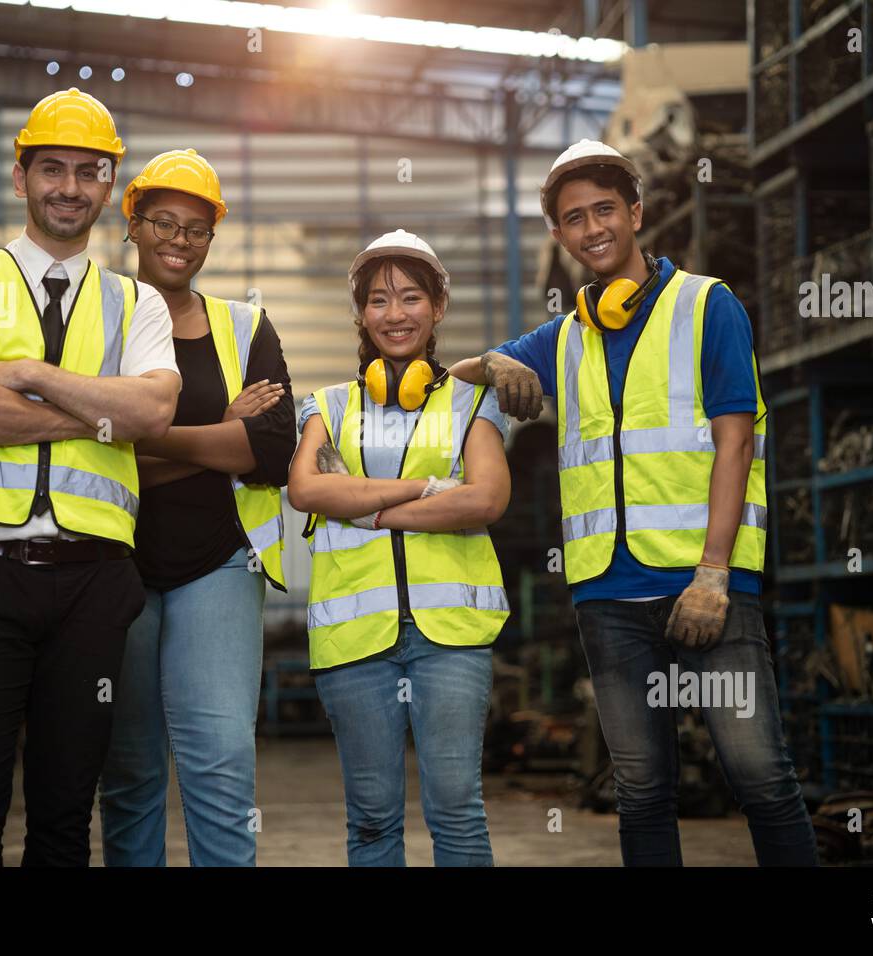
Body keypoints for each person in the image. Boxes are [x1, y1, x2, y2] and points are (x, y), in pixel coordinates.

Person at [450, 140, 818, 866]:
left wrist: (714, 574)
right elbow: (460, 374)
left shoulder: (708, 306)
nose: (592, 229)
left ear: (637, 213)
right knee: (642, 789)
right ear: (558, 234)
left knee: (759, 775)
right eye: (574, 218)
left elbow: (736, 443)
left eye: (605, 211)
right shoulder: (566, 334)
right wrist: (492, 360)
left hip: (706, 587)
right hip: (609, 597)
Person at [0, 88, 181, 866]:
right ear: (21, 174)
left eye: (88, 172)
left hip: (95, 584)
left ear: (109, 186)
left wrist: (29, 375)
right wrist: (105, 415)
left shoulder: (138, 304)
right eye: (53, 169)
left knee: (67, 813)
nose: (69, 187)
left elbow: (157, 410)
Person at [286, 230, 511, 866]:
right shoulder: (328, 405)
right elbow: (306, 489)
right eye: (379, 301)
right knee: (372, 819)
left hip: (452, 636)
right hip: (354, 641)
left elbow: (486, 499)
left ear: (438, 307)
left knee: (457, 810)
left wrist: (364, 506)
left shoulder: (472, 402)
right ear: (359, 313)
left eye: (411, 298)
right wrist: (424, 488)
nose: (395, 314)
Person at [98, 149, 294, 867]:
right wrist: (220, 436)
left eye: (196, 228)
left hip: (218, 561)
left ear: (213, 237)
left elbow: (271, 451)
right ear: (134, 224)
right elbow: (81, 449)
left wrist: (143, 439)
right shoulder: (97, 316)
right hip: (116, 564)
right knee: (129, 771)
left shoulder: (245, 327)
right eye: (163, 223)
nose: (178, 241)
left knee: (220, 765)